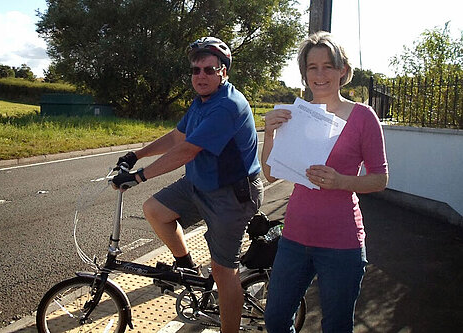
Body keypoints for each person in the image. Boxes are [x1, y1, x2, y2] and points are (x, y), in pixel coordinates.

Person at [111, 36, 263, 333]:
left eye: (209, 69)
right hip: (199, 184)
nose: (201, 76)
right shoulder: (201, 103)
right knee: (155, 209)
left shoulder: (227, 106)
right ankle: (187, 266)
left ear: (224, 72)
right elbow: (177, 137)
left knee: (223, 270)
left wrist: (139, 176)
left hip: (231, 194)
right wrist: (136, 154)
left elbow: (186, 151)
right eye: (196, 70)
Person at [262, 31, 389, 332]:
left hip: (341, 243)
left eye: (327, 66)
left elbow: (380, 179)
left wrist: (341, 181)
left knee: (335, 326)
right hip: (294, 237)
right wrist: (269, 133)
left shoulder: (362, 117)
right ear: (304, 73)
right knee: (276, 320)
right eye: (312, 67)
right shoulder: (295, 115)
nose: (320, 74)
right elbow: (270, 174)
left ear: (342, 70)